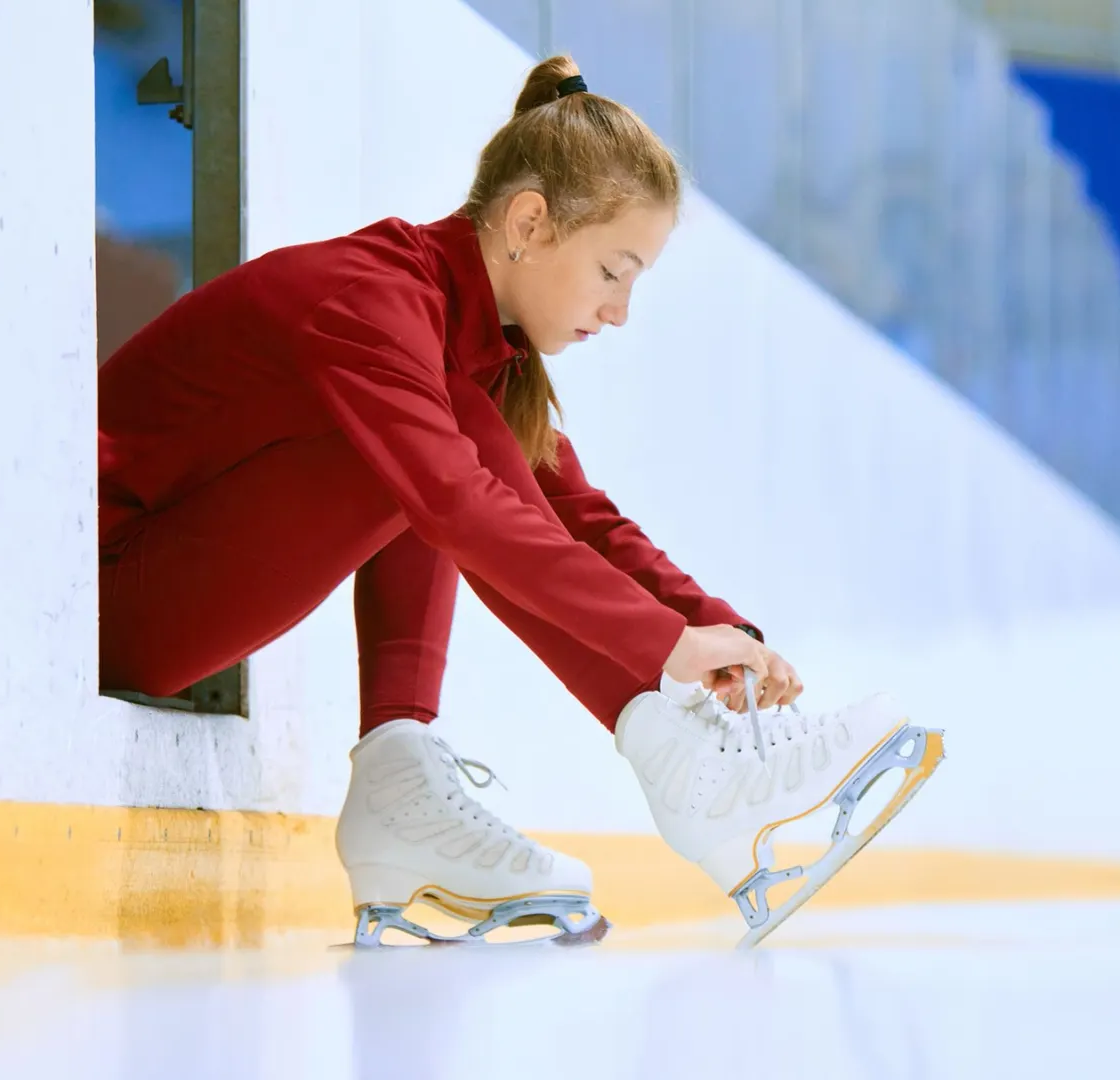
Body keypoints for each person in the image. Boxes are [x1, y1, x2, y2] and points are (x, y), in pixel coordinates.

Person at [96, 55, 941, 948]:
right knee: (438, 454)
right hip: (110, 596)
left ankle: (402, 776)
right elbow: (458, 505)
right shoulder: (370, 301)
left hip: (172, 586)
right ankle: (680, 765)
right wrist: (662, 650)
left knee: (453, 428)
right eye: (614, 271)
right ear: (530, 223)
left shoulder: (464, 345)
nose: (620, 312)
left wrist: (719, 633)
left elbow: (582, 515)